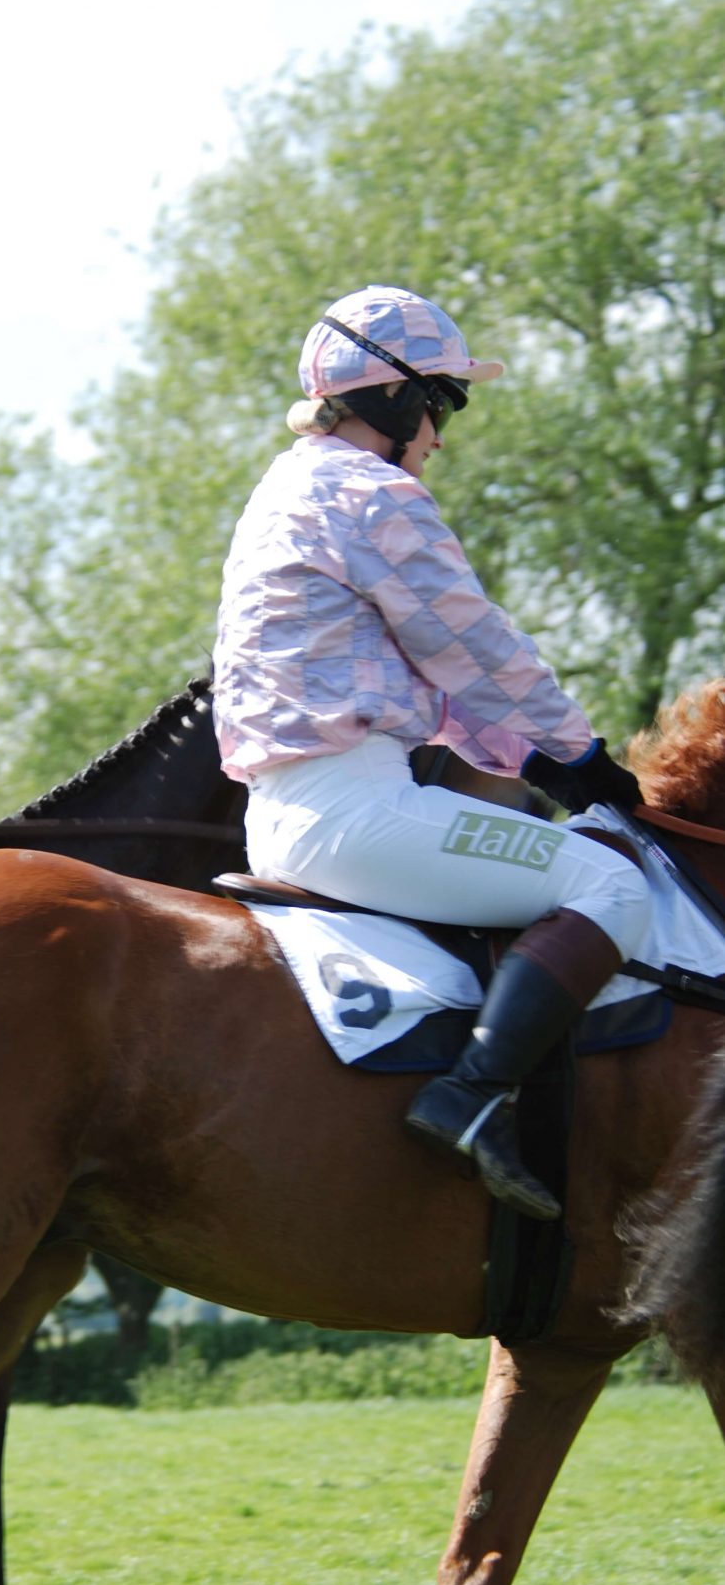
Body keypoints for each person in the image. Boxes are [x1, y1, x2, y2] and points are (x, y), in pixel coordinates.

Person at [212, 284, 651, 1223]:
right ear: (394, 400)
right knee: (615, 887)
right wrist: (582, 753)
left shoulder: (289, 488)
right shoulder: (370, 492)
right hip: (359, 813)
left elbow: (428, 680)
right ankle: (470, 1096)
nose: (442, 435)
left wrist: (534, 766)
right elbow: (477, 643)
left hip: (296, 812)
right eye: (443, 405)